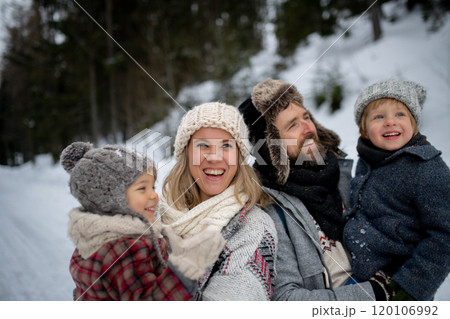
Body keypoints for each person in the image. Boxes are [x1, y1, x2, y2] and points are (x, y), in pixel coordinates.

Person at [238, 78, 377, 300]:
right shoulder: (267, 212)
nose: (309, 128)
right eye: (292, 125)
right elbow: (287, 298)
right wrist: (373, 295)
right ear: (266, 147)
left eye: (307, 117)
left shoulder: (343, 175)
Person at [61, 142, 224, 300]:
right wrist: (188, 268)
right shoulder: (125, 249)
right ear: (110, 196)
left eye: (153, 187)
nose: (154, 195)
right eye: (142, 189)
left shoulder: (95, 237)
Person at [343, 79, 450, 301]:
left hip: (399, 287)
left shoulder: (425, 168)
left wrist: (410, 287)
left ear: (414, 123)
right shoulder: (369, 160)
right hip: (362, 277)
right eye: (379, 117)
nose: (390, 122)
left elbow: (444, 235)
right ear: (364, 130)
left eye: (400, 115)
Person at [160, 102, 277, 300]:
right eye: (203, 145)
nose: (214, 157)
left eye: (226, 145)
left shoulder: (254, 228)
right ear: (186, 154)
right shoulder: (156, 216)